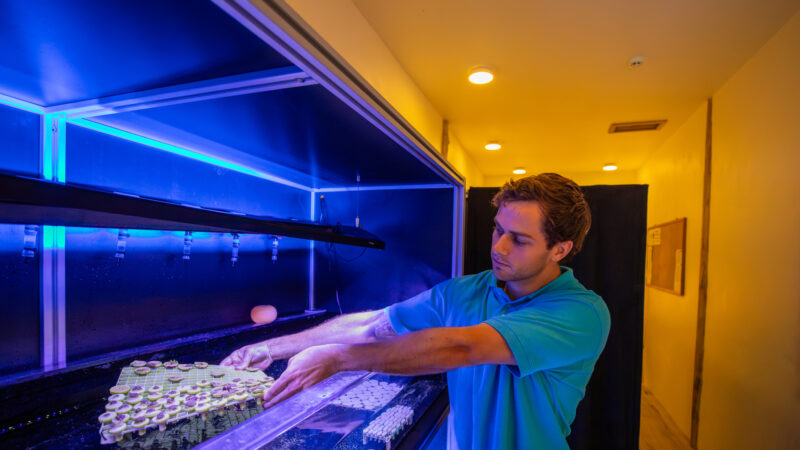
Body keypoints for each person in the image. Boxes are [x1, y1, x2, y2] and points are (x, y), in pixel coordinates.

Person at [221, 173, 610, 449]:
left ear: (560, 249)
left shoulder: (580, 313)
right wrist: (275, 348)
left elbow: (463, 348)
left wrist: (339, 359)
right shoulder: (467, 291)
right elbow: (374, 325)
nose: (499, 248)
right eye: (498, 229)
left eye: (519, 239)